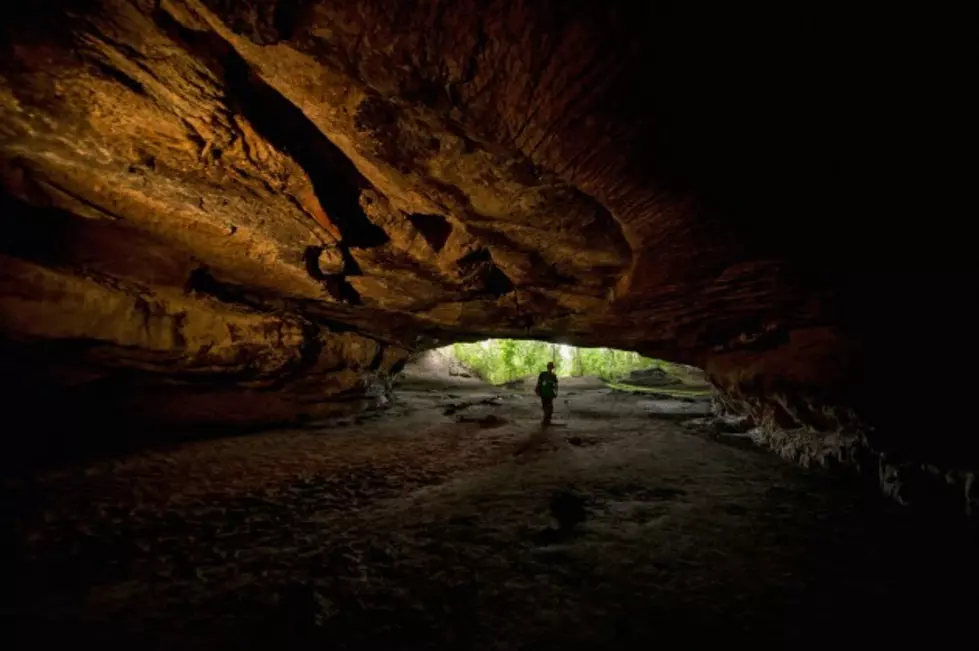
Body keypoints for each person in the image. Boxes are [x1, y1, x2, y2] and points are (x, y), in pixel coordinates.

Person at [535, 361, 559, 425]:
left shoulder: (553, 376)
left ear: (552, 368)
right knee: (545, 406)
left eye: (551, 367)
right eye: (549, 367)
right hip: (544, 393)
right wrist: (537, 390)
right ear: (548, 367)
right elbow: (539, 382)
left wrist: (556, 392)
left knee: (549, 406)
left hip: (549, 394)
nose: (550, 368)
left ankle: (547, 419)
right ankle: (546, 418)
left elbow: (556, 385)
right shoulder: (543, 374)